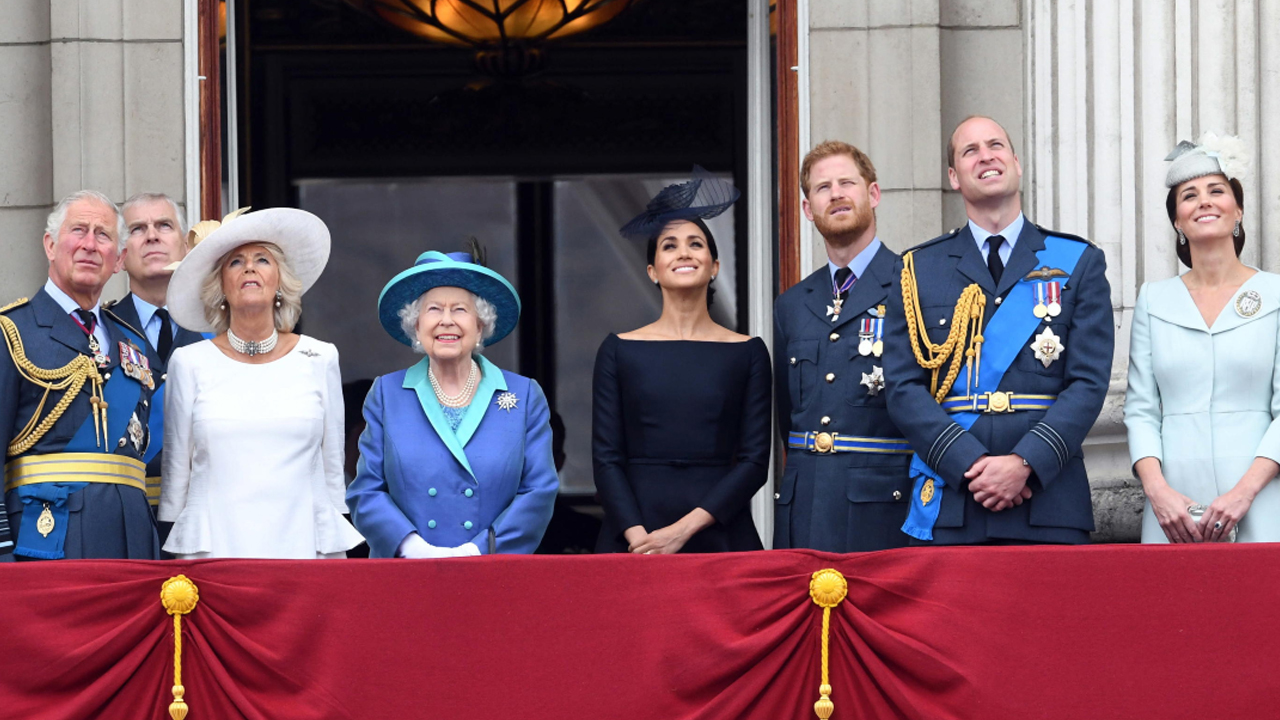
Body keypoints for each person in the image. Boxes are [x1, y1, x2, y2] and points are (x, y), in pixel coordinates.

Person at [882, 116, 1114, 545]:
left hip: (1048, 499)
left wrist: (1026, 462)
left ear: (1016, 163)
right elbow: (902, 387)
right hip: (954, 499)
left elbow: (1088, 382)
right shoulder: (917, 269)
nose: (985, 156)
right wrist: (968, 463)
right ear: (954, 176)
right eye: (970, 151)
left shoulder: (1078, 261)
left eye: (996, 145)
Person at [160, 207, 363, 559]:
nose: (249, 267)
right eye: (235, 262)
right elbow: (176, 479)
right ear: (220, 286)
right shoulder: (189, 362)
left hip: (302, 549)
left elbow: (333, 477)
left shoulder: (320, 357)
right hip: (214, 554)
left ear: (280, 281)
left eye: (262, 259)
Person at [593, 167, 771, 554]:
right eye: (669, 245)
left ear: (715, 266)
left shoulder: (749, 351)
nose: (684, 252)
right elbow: (606, 459)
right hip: (634, 534)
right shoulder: (618, 349)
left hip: (719, 530)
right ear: (653, 271)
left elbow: (755, 462)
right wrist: (639, 537)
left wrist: (684, 531)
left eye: (696, 243)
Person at [346, 249, 558, 558]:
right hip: (406, 575)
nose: (447, 321)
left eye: (460, 310)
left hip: (494, 572)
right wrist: (411, 547)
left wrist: (478, 550)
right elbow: (365, 491)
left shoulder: (524, 395)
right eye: (434, 309)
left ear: (481, 325)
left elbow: (539, 492)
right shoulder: (386, 394)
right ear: (416, 326)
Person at [1125, 134, 1280, 543]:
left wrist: (1243, 494)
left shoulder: (1276, 295)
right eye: (1189, 195)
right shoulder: (1153, 300)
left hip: (1261, 498)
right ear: (1177, 220)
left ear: (1238, 209)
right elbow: (1141, 410)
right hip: (1173, 505)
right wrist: (1158, 493)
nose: (1204, 201)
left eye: (1217, 190)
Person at [0, 190, 159, 559]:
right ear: (51, 245)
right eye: (78, 230)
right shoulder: (12, 331)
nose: (89, 244)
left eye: (102, 235)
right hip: (44, 541)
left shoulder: (132, 342)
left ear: (119, 259)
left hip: (131, 540)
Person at [773, 141, 913, 552]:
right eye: (822, 187)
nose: (835, 194)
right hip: (805, 507)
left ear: (873, 194)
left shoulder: (913, 285)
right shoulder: (792, 304)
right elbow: (789, 417)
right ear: (807, 209)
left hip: (883, 509)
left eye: (846, 183)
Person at [108, 192, 204, 510]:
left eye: (164, 225)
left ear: (187, 248)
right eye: (137, 229)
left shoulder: (220, 332)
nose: (151, 236)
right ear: (119, 257)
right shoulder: (100, 332)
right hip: (128, 513)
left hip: (205, 514)